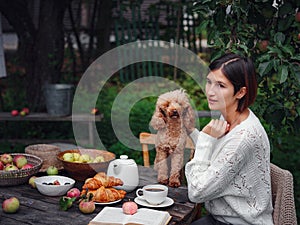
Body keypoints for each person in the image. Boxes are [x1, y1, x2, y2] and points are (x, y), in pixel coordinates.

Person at [185, 53, 274, 225]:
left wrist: (204, 140)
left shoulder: (244, 137)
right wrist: (194, 132)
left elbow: (196, 192)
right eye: (209, 81)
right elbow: (219, 160)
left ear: (241, 92)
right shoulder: (229, 116)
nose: (210, 91)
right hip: (220, 218)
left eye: (221, 85)